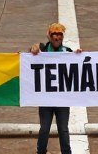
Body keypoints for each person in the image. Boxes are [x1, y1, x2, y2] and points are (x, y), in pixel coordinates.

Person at [30, 23, 82, 154]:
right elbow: (29, 55)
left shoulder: (68, 52)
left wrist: (78, 57)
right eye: (54, 34)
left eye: (59, 35)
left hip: (62, 100)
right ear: (49, 36)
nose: (57, 37)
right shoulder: (42, 50)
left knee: (63, 129)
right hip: (46, 99)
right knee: (44, 129)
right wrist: (33, 48)